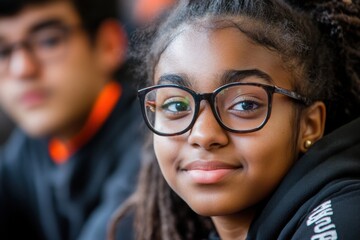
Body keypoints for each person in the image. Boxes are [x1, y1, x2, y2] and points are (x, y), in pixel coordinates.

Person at [109, 0, 360, 239]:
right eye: (176, 105)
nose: (203, 135)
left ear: (310, 125)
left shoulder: (345, 215)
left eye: (245, 104)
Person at [0, 0, 143, 239]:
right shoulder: (25, 151)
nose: (22, 68)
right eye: (3, 52)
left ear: (109, 44)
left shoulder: (153, 141)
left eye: (49, 40)